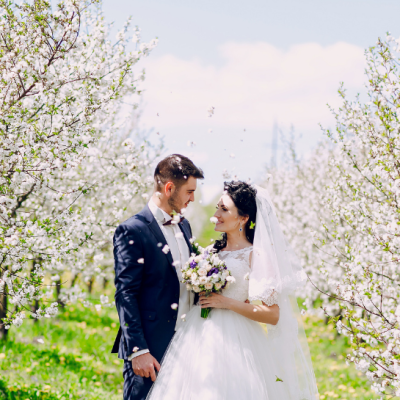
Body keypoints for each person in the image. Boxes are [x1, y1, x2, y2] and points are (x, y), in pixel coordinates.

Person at [146, 180, 319, 400]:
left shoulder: (256, 255)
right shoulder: (209, 252)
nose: (216, 214)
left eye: (224, 209)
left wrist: (226, 302)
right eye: (218, 206)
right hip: (197, 335)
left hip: (237, 340)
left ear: (244, 218)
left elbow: (273, 315)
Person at [111, 154, 204, 400]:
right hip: (150, 348)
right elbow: (125, 294)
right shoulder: (131, 230)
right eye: (189, 192)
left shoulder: (185, 225)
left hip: (188, 343)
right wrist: (137, 349)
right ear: (169, 188)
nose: (193, 198)